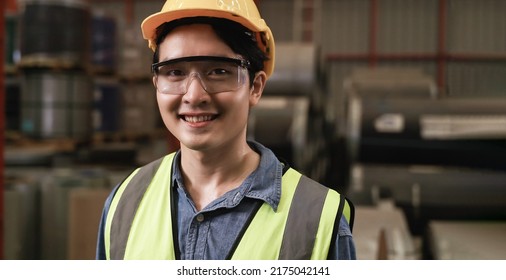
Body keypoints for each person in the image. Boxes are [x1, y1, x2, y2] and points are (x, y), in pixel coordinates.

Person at [96, 0, 356, 260]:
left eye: (218, 71)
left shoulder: (317, 221)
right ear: (156, 84)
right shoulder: (125, 203)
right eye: (175, 72)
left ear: (255, 87)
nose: (194, 95)